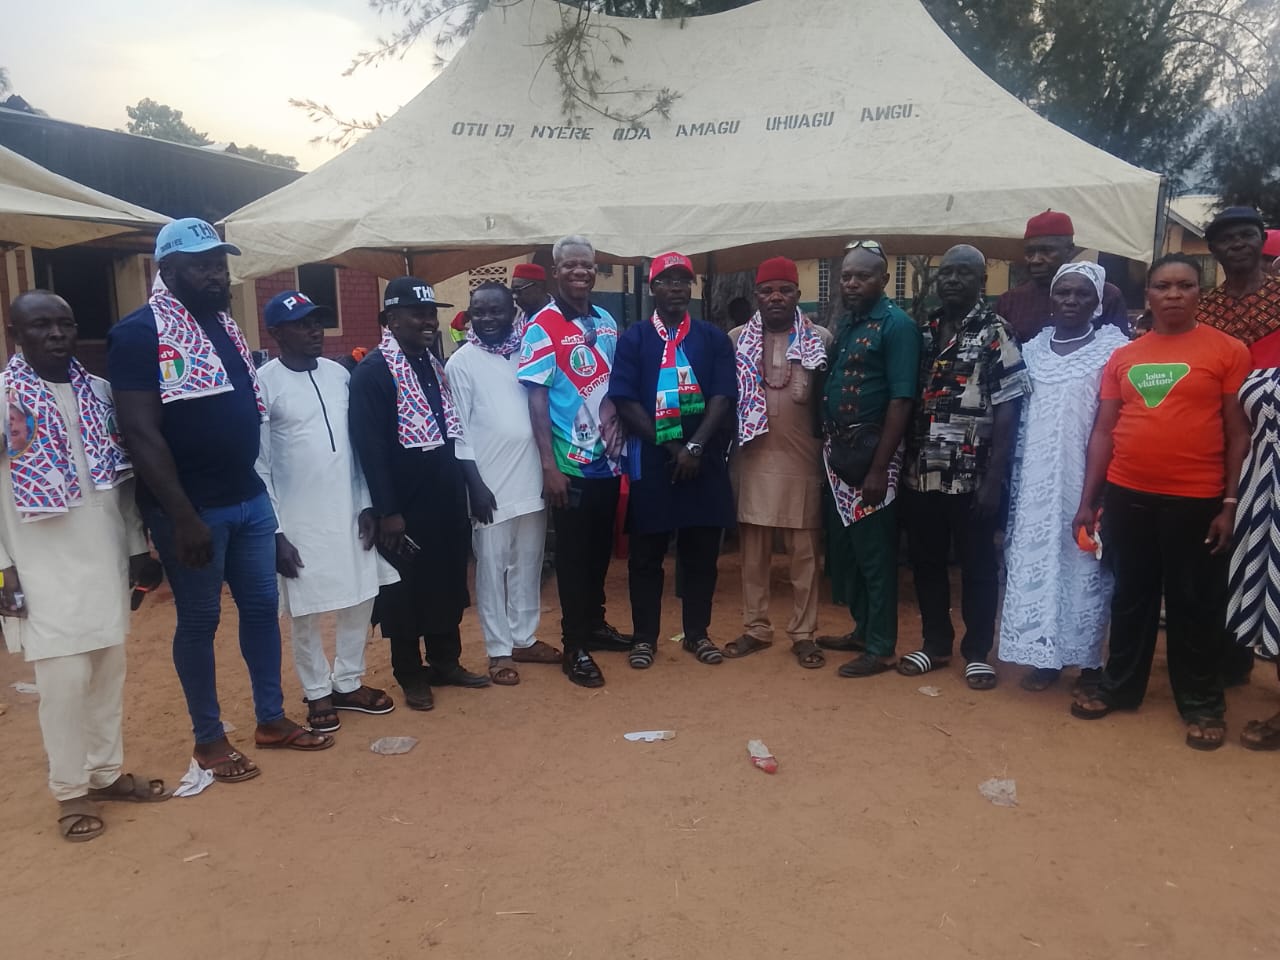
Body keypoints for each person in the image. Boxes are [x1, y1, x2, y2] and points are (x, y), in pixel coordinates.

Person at [108, 218, 332, 784]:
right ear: (168, 269)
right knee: (200, 620)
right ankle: (209, 740)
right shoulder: (138, 334)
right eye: (201, 265)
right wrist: (182, 516)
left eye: (219, 264)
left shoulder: (225, 326)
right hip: (193, 511)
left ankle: (270, 719)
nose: (216, 275)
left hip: (248, 499)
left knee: (260, 612)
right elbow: (141, 433)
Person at [1, 291, 169, 842]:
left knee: (106, 671)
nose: (56, 334)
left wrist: (136, 548)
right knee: (64, 682)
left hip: (101, 555)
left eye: (65, 324)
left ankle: (105, 773)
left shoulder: (98, 393)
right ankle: (70, 791)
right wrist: (1, 569)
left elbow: (122, 485)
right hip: (35, 563)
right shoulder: (3, 400)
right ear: (15, 334)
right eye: (40, 325)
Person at [1072, 253, 1250, 751]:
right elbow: (1104, 431)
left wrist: (1230, 503)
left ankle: (1202, 702)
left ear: (1199, 292)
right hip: (1128, 494)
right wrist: (1089, 498)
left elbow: (1238, 432)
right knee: (1131, 595)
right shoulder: (1125, 357)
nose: (1174, 294)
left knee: (1196, 603)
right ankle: (1120, 686)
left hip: (1198, 498)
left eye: (1185, 285)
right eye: (1163, 286)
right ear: (1147, 295)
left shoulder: (1228, 351)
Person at [254, 290, 398, 732]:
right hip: (297, 519)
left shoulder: (339, 375)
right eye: (302, 324)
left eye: (317, 321)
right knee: (306, 609)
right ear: (276, 333)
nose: (314, 330)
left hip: (350, 508)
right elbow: (259, 464)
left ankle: (347, 682)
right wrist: (276, 532)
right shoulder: (263, 382)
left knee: (361, 595)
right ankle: (317, 691)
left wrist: (367, 502)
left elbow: (356, 447)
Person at [349, 277, 492, 711]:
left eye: (432, 314)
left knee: (446, 580)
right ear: (391, 320)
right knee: (405, 590)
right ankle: (411, 675)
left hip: (443, 497)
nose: (429, 322)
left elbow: (453, 432)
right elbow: (370, 448)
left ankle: (446, 662)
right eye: (418, 314)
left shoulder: (433, 365)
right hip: (403, 503)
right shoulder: (374, 372)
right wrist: (388, 510)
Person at [898, 244, 1031, 691]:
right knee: (927, 562)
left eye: (964, 273)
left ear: (982, 281)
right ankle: (935, 644)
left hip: (973, 475)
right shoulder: (925, 331)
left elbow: (1009, 405)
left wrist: (994, 478)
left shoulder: (997, 332)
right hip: (922, 470)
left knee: (977, 566)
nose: (953, 280)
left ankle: (977, 653)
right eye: (947, 273)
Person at [998, 264, 1129, 691]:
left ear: (1098, 302)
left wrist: (1099, 490)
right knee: (1040, 561)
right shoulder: (1032, 350)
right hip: (1035, 480)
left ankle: (1088, 662)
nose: (1071, 301)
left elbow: (1115, 421)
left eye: (1082, 294)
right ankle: (1046, 655)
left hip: (1088, 477)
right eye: (1063, 293)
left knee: (1088, 566)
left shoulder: (1113, 349)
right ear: (1051, 298)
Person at [608, 252, 736, 669]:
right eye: (667, 280)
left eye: (683, 280)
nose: (676, 288)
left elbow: (723, 396)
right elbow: (624, 400)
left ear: (691, 287)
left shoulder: (712, 338)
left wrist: (695, 447)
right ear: (653, 288)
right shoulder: (635, 339)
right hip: (654, 461)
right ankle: (644, 638)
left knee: (701, 554)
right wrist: (672, 448)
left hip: (704, 461)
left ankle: (697, 634)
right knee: (646, 556)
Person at [518, 235, 627, 688]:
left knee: (600, 551)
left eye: (587, 265)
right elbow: (537, 398)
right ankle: (574, 645)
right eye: (570, 265)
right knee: (574, 556)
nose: (580, 272)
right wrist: (549, 465)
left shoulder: (606, 321)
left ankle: (595, 625)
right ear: (555, 271)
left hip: (610, 460)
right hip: (570, 464)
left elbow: (616, 384)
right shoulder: (542, 326)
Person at [446, 282, 559, 686]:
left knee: (528, 562)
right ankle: (498, 649)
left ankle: (524, 638)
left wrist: (549, 469)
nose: (487, 319)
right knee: (492, 568)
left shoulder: (528, 352)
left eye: (496, 310)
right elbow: (458, 431)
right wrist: (474, 487)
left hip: (533, 477)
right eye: (479, 312)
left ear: (513, 312)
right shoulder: (461, 363)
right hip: (490, 485)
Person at [819, 240, 920, 677]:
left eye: (862, 276)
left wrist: (880, 468)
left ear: (884, 279)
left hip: (874, 460)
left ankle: (881, 647)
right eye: (846, 276)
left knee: (876, 556)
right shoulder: (850, 322)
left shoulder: (897, 326)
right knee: (850, 553)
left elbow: (901, 399)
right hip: (841, 456)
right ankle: (862, 630)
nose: (852, 283)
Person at [725, 257, 832, 668]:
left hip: (802, 458)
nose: (776, 297)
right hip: (752, 457)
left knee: (805, 554)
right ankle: (756, 627)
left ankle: (804, 634)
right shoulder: (736, 339)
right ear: (756, 295)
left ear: (798, 295)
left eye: (784, 290)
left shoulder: (819, 338)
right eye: (767, 290)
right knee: (753, 552)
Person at [996, 210, 1130, 342]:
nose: (1035, 260)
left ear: (1070, 250)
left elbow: (1121, 349)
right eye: (1029, 253)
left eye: (1047, 251)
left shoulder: (1106, 295)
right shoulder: (1010, 301)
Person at [1197, 207, 1280, 365]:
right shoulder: (1202, 312)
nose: (1238, 244)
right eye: (1225, 239)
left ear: (1263, 240)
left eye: (1247, 235)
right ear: (1213, 250)